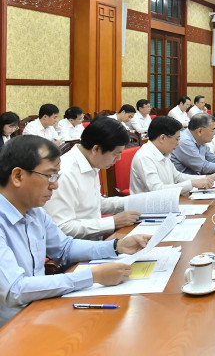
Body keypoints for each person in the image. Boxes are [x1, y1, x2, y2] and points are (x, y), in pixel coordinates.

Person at [0, 135, 150, 327]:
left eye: (56, 176)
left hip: (39, 308)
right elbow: (14, 290)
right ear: (18, 176)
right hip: (12, 327)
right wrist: (93, 276)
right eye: (49, 176)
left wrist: (117, 246)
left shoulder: (34, 211)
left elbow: (64, 248)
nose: (55, 185)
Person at [43, 117, 141, 239]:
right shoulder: (64, 174)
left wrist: (133, 202)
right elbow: (61, 227)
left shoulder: (91, 162)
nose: (119, 159)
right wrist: (112, 222)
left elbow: (95, 204)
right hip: (76, 247)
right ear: (96, 149)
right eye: (116, 154)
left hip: (95, 240)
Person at [130, 116, 215, 195]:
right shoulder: (145, 157)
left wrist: (206, 178)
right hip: (148, 208)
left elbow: (177, 177)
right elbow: (157, 190)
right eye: (177, 139)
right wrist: (192, 183)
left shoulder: (164, 152)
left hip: (167, 201)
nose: (178, 143)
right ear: (162, 138)